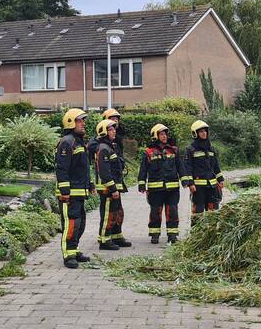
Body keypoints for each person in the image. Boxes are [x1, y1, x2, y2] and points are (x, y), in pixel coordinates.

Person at [55, 108, 92, 268]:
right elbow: (62, 169)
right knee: (71, 224)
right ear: (70, 122)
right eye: (79, 120)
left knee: (80, 223)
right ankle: (68, 254)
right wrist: (65, 192)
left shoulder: (78, 142)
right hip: (69, 194)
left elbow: (83, 168)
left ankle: (74, 249)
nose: (83, 123)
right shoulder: (66, 142)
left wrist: (89, 184)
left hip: (79, 191)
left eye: (83, 120)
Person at [138, 123, 187, 244]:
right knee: (155, 212)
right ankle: (155, 234)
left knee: (173, 211)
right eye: (161, 134)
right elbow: (143, 169)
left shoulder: (174, 150)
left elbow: (180, 166)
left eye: (165, 134)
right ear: (155, 136)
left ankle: (172, 235)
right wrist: (141, 184)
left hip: (172, 188)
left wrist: (185, 180)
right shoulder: (148, 152)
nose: (164, 136)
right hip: (155, 189)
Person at [94, 118, 131, 250]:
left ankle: (116, 236)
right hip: (107, 189)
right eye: (110, 129)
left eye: (114, 128)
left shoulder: (110, 146)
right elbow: (104, 172)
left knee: (117, 213)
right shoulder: (103, 148)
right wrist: (112, 188)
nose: (114, 131)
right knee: (108, 215)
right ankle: (104, 240)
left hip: (114, 187)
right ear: (103, 132)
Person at [183, 120, 224, 217]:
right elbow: (187, 168)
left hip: (212, 187)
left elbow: (216, 166)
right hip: (198, 189)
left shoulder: (211, 148)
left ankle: (212, 232)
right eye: (201, 131)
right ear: (195, 133)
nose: (204, 133)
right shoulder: (190, 149)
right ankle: (197, 232)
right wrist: (190, 183)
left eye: (205, 131)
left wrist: (220, 179)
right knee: (198, 213)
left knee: (213, 213)